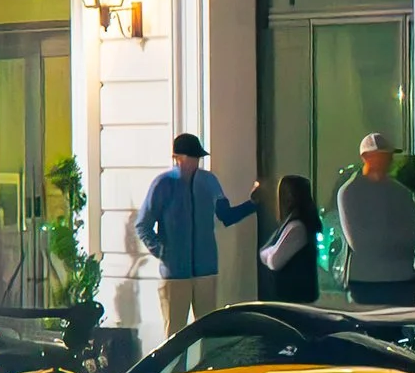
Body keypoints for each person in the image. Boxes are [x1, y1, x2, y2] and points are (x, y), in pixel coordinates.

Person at [133, 134, 259, 336]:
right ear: (177, 157)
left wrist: (253, 204)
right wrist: (162, 252)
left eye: (196, 158)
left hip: (206, 271)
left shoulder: (209, 181)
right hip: (175, 275)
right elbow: (143, 224)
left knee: (207, 332)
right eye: (190, 157)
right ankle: (176, 369)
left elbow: (225, 215)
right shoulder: (163, 184)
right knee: (174, 334)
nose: (194, 162)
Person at [337, 132, 415, 306]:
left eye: (388, 156)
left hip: (398, 282)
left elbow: (412, 235)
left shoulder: (401, 193)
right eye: (382, 156)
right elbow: (359, 242)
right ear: (366, 157)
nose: (388, 161)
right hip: (366, 284)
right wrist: (396, 241)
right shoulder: (350, 192)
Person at [257, 174, 320, 304]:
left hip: (293, 300)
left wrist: (269, 252)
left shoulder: (296, 227)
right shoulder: (295, 225)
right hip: (296, 299)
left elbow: (274, 261)